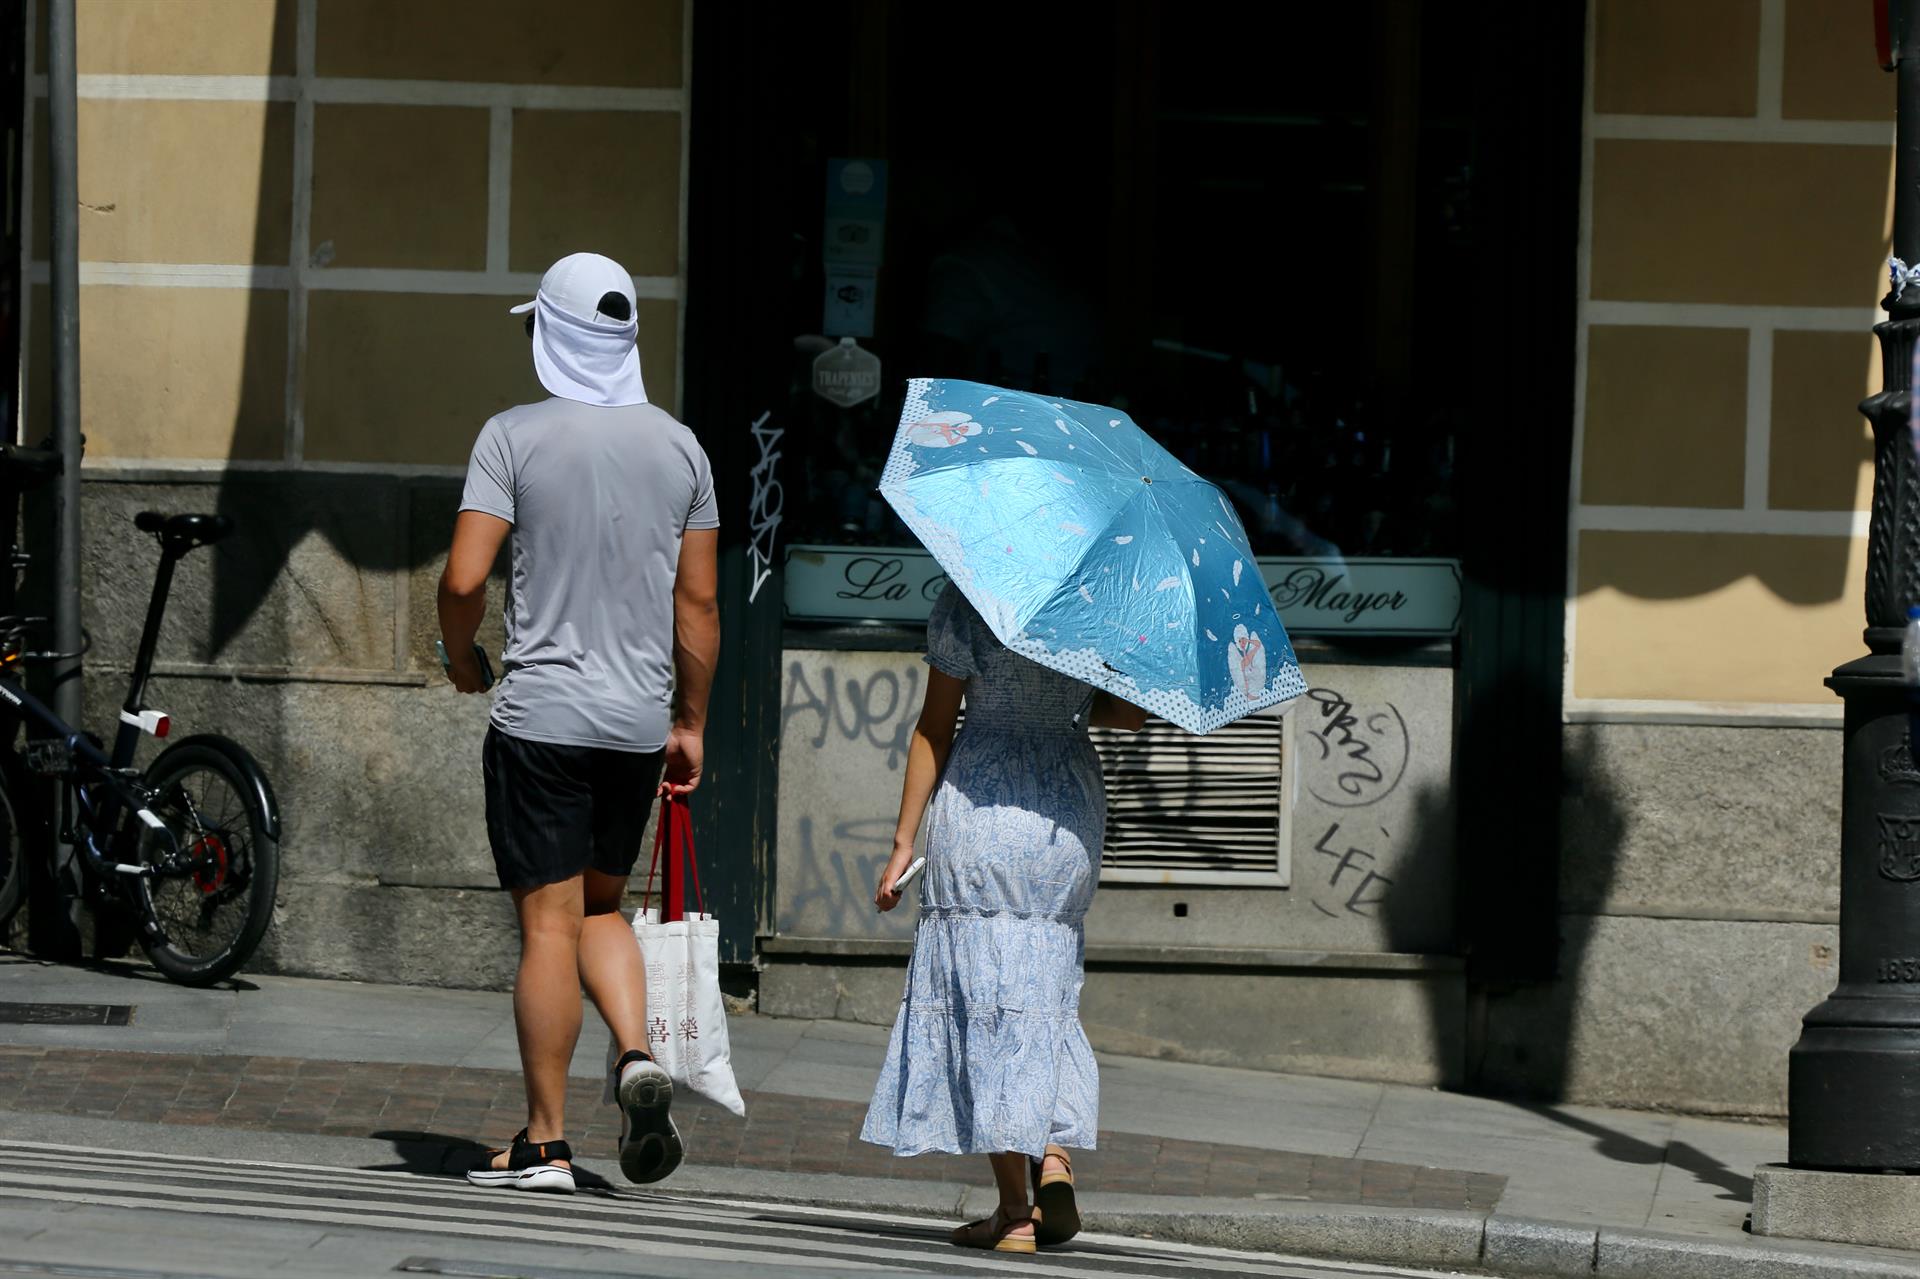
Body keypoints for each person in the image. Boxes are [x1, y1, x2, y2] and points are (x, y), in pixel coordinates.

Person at [438, 251, 721, 1195]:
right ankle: (636, 1055)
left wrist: (459, 653)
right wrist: (691, 721)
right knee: (599, 906)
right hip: (637, 726)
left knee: (548, 928)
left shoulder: (510, 437)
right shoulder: (682, 448)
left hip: (542, 719)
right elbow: (699, 606)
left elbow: (465, 579)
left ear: (551, 334)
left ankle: (548, 1142)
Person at [861, 583, 1146, 1252]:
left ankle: (1016, 1212)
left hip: (983, 798)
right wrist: (1065, 705)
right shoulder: (1105, 602)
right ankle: (1052, 1152)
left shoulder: (973, 596)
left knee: (981, 995)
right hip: (1064, 808)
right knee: (1045, 988)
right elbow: (1130, 716)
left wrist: (904, 840)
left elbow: (936, 724)